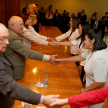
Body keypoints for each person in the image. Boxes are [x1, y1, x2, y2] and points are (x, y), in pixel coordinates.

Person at [0, 23, 59, 108]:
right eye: (3, 39)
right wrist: (43, 99)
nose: (7, 42)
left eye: (7, 38)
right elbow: (11, 88)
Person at [55, 29, 108, 108]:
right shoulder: (93, 50)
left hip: (97, 93)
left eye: (86, 39)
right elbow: (80, 57)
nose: (83, 42)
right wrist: (62, 60)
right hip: (91, 88)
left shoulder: (99, 58)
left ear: (92, 41)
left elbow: (100, 82)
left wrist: (85, 90)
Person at [4, 16, 58, 80]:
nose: (23, 27)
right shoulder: (13, 37)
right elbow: (28, 52)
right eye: (21, 25)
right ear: (12, 25)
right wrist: (48, 57)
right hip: (13, 70)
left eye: (23, 25)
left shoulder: (11, 33)